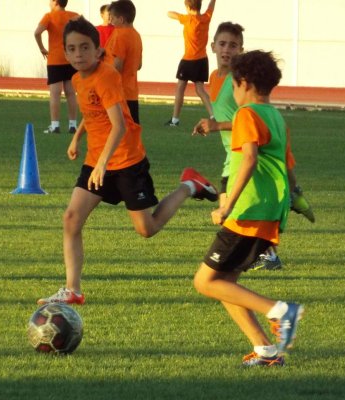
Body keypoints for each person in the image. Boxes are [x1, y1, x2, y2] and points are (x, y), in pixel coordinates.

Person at [37, 16, 218, 305]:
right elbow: (91, 111)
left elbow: (118, 125)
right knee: (71, 219)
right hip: (99, 160)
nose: (78, 54)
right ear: (65, 51)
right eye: (71, 49)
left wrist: (102, 163)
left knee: (146, 229)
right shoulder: (75, 78)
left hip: (125, 160)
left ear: (98, 51)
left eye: (85, 48)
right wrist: (77, 138)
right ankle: (73, 289)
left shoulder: (107, 75)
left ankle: (189, 186)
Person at [192, 50, 304, 367]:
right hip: (270, 212)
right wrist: (297, 195)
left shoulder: (247, 115)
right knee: (226, 284)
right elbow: (287, 163)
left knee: (205, 282)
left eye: (234, 86)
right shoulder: (276, 117)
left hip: (249, 212)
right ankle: (266, 350)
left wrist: (228, 207)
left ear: (243, 83)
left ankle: (280, 310)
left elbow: (250, 159)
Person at [192, 22, 315, 270]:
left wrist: (217, 126)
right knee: (233, 208)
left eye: (233, 45)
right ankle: (261, 248)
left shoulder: (240, 82)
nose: (227, 49)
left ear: (241, 50)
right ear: (213, 46)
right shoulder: (216, 78)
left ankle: (254, 256)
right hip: (234, 153)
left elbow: (249, 120)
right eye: (223, 44)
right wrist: (211, 121)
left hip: (243, 154)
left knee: (231, 209)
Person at [164, 0, 215, 127]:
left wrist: (184, 14)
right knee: (200, 90)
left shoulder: (187, 19)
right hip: (202, 60)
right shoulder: (206, 17)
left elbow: (169, 13)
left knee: (180, 89)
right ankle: (213, 115)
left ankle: (175, 120)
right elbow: (211, 5)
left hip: (188, 60)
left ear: (187, 6)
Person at [34, 0, 79, 134]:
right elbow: (86, 31)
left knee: (55, 94)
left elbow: (37, 32)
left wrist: (42, 48)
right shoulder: (74, 16)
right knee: (71, 93)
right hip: (71, 58)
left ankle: (55, 125)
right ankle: (72, 125)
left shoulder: (49, 16)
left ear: (55, 2)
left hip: (55, 59)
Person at [103, 0, 142, 123]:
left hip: (118, 93)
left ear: (121, 19)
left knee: (115, 132)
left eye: (113, 17)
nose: (110, 20)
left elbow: (117, 66)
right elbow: (139, 65)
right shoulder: (136, 35)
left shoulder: (120, 34)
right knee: (132, 133)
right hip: (132, 92)